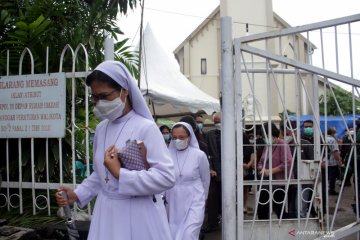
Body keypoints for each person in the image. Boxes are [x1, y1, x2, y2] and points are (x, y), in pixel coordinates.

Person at [55, 61, 175, 240]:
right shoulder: (102, 129)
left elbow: (166, 177)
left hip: (138, 214)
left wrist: (121, 174)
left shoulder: (146, 127)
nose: (99, 103)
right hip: (106, 214)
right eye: (95, 97)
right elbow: (100, 174)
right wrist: (78, 194)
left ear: (124, 92)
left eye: (104, 96)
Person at [166, 122, 210, 240]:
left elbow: (206, 179)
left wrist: (203, 198)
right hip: (173, 200)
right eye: (174, 137)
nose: (177, 140)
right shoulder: (166, 155)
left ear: (189, 137)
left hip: (195, 199)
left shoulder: (199, 155)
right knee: (173, 234)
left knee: (188, 234)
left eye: (181, 137)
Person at [257, 122, 294, 219]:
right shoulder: (267, 146)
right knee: (262, 209)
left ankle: (285, 232)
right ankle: (263, 231)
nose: (266, 138)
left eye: (268, 135)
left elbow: (287, 163)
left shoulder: (283, 144)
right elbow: (260, 162)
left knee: (281, 211)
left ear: (274, 133)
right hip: (267, 183)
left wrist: (270, 171)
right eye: (264, 136)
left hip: (281, 183)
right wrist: (262, 169)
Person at [203, 112, 222, 232]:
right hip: (214, 173)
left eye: (219, 121)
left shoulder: (232, 134)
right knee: (213, 199)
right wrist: (210, 168)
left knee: (227, 198)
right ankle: (212, 222)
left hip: (229, 173)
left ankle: (228, 220)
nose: (218, 124)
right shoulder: (209, 134)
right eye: (216, 121)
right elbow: (207, 152)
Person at [326, 127, 343, 195]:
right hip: (332, 162)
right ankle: (331, 190)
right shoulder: (332, 140)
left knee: (327, 176)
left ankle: (326, 189)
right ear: (333, 133)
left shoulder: (324, 138)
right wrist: (339, 161)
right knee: (332, 178)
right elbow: (335, 152)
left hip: (325, 161)